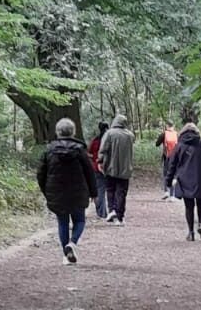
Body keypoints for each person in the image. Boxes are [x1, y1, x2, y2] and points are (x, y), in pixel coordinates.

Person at [36, 118, 97, 264]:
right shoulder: (79, 150)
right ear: (73, 132)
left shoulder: (49, 151)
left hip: (57, 194)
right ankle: (72, 243)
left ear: (58, 132)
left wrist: (46, 191)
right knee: (80, 220)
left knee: (62, 222)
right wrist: (93, 192)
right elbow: (89, 172)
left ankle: (66, 254)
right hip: (78, 192)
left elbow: (40, 174)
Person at [168, 122, 201, 241]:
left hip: (185, 180)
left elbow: (172, 164)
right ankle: (200, 224)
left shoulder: (179, 146)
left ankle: (191, 232)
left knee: (189, 206)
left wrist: (168, 180)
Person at [98, 113, 135, 225]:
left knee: (110, 190)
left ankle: (112, 210)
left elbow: (103, 149)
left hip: (110, 167)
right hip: (125, 168)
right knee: (121, 192)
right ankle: (120, 216)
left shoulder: (109, 134)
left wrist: (100, 161)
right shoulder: (130, 135)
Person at [87, 119, 109, 220]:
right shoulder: (110, 140)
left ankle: (101, 212)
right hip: (108, 167)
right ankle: (108, 211)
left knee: (99, 190)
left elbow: (89, 153)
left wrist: (93, 159)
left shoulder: (95, 141)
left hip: (96, 168)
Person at [155, 121, 179, 198]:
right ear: (173, 126)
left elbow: (157, 144)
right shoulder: (176, 134)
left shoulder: (164, 134)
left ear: (167, 126)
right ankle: (172, 195)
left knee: (165, 175)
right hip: (175, 158)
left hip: (166, 157)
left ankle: (166, 192)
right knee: (173, 175)